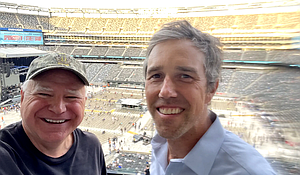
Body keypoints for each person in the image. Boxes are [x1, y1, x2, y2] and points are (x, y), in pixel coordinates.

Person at [143, 20, 275, 175]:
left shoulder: (247, 171)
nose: (165, 92)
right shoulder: (160, 148)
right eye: (156, 75)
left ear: (211, 89)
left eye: (185, 76)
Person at [0, 52, 107, 175]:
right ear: (23, 98)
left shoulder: (91, 146)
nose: (58, 109)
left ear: (84, 103)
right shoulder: (4, 156)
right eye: (44, 94)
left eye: (71, 96)